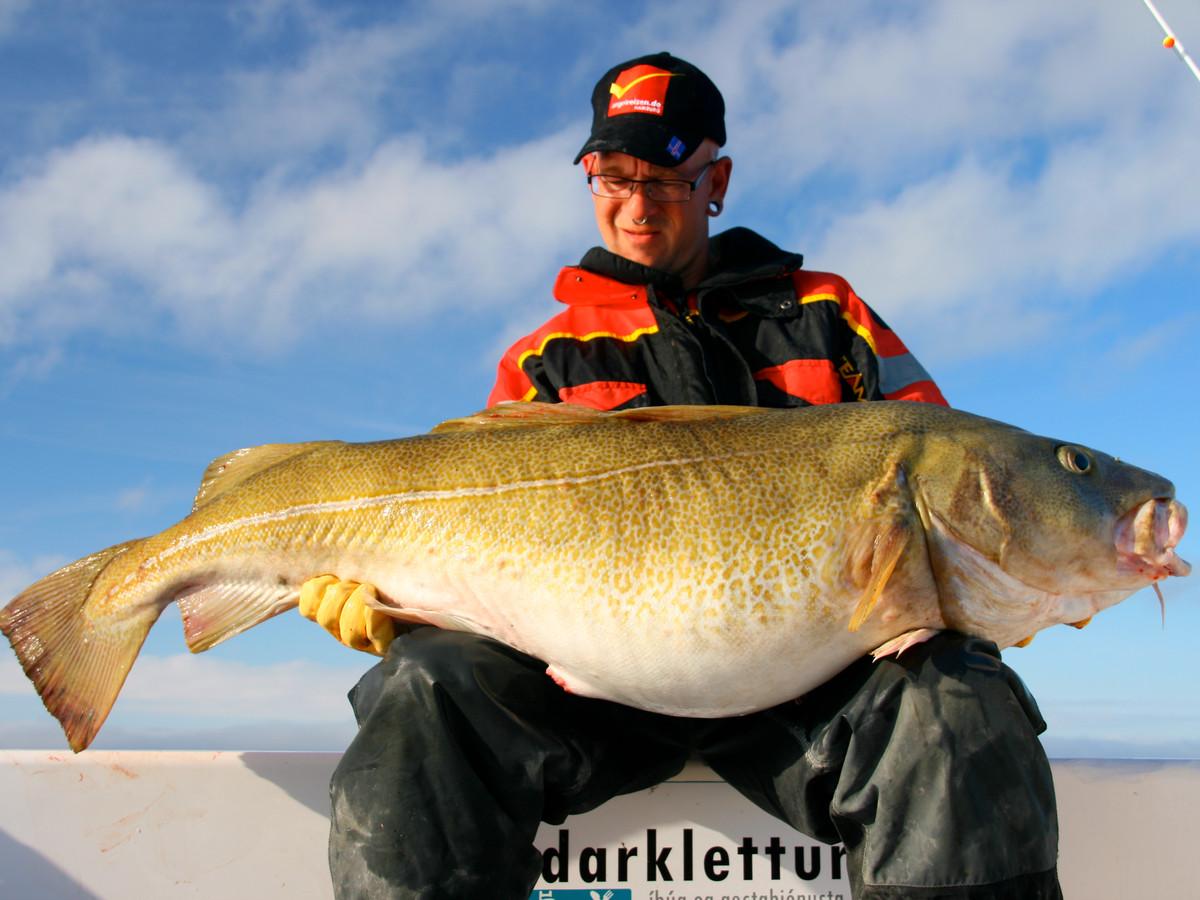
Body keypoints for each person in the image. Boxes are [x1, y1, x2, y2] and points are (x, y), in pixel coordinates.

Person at [299, 52, 1062, 900]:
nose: (635, 206)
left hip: (813, 684)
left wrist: (1018, 572)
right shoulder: (543, 359)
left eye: (664, 180)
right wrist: (398, 607)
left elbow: (949, 480)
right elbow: (483, 554)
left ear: (716, 182)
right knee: (423, 689)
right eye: (611, 176)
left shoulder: (829, 314)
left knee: (955, 703)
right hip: (588, 693)